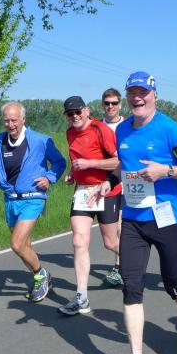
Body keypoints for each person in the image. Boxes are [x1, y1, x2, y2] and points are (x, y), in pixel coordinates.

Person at [93, 71, 177, 354]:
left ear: (155, 95)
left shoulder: (171, 130)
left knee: (172, 284)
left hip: (165, 218)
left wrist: (166, 171)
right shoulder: (122, 130)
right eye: (133, 93)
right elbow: (124, 163)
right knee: (131, 286)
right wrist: (110, 180)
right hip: (132, 219)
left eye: (143, 92)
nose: (137, 98)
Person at [0, 102, 66, 302]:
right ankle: (41, 277)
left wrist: (49, 178)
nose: (10, 124)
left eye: (14, 120)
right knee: (24, 246)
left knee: (16, 244)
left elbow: (59, 162)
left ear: (23, 120)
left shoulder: (40, 140)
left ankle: (41, 275)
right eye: (6, 121)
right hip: (10, 200)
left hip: (33, 197)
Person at [58, 96, 122, 315]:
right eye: (70, 114)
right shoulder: (70, 133)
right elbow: (77, 160)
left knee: (110, 243)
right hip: (83, 191)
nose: (75, 116)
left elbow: (118, 161)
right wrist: (72, 173)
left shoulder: (101, 130)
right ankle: (81, 296)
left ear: (86, 111)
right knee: (78, 241)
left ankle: (131, 260)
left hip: (106, 190)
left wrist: (90, 164)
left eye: (78, 112)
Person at [98, 88, 125, 287]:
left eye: (114, 103)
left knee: (122, 227)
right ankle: (122, 265)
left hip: (129, 181)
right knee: (115, 230)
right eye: (107, 103)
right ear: (102, 105)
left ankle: (120, 266)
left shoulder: (128, 125)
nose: (110, 107)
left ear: (120, 105)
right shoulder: (97, 127)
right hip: (107, 182)